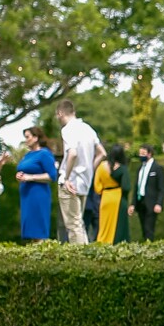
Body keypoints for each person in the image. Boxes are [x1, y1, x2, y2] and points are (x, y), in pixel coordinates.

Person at [55, 99, 102, 246]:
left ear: (60, 113)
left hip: (71, 182)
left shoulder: (68, 129)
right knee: (78, 222)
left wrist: (66, 178)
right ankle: (84, 255)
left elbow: (73, 153)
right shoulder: (88, 129)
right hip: (85, 182)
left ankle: (81, 259)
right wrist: (89, 169)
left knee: (73, 225)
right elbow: (102, 153)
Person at [13, 126, 58, 244]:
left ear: (36, 138)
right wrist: (20, 176)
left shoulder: (44, 154)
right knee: (30, 227)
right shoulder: (27, 155)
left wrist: (31, 177)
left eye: (28, 137)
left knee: (38, 225)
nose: (26, 140)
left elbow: (52, 176)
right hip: (26, 194)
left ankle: (42, 251)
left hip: (38, 193)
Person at [131, 143, 164, 241]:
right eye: (140, 153)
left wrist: (159, 203)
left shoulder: (157, 168)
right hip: (140, 202)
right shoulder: (140, 169)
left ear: (149, 154)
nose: (141, 156)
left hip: (151, 203)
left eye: (143, 153)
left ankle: (149, 250)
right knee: (143, 229)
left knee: (149, 229)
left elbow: (161, 188)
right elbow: (136, 187)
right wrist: (133, 204)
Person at [95, 143, 128, 245]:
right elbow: (126, 186)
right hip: (117, 196)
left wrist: (102, 191)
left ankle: (102, 241)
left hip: (105, 197)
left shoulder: (101, 166)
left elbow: (97, 185)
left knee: (104, 223)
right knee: (116, 223)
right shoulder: (122, 168)